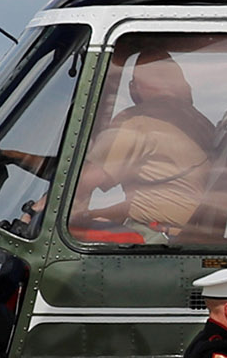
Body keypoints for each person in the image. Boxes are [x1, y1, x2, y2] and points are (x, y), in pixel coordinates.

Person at [68, 49, 218, 239]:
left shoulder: (138, 120)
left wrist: (44, 205)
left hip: (156, 239)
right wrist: (94, 214)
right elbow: (154, 202)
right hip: (188, 236)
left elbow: (87, 180)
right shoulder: (204, 126)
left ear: (135, 87)